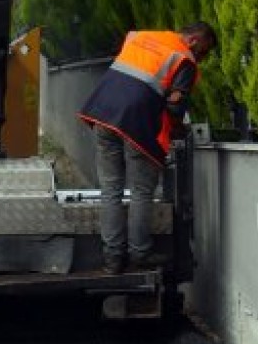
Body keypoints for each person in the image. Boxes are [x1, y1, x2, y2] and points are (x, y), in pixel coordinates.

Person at [77, 22, 217, 274]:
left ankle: (112, 259)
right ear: (194, 40)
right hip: (137, 124)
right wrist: (175, 129)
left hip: (103, 114)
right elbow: (175, 107)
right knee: (141, 192)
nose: (201, 59)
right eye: (204, 52)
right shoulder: (184, 58)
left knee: (111, 191)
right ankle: (140, 253)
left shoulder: (139, 36)